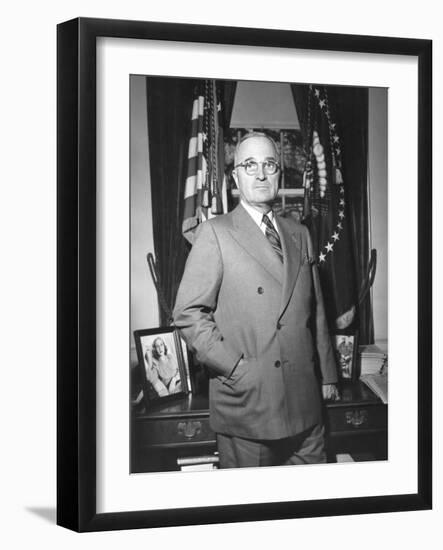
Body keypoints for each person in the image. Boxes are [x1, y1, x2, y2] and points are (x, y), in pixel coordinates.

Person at [173, 132, 339, 468]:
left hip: (306, 403)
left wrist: (329, 375)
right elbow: (188, 313)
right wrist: (234, 368)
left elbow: (316, 309)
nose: (261, 174)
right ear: (235, 177)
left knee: (313, 509)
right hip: (248, 403)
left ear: (280, 173)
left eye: (269, 165)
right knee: (251, 514)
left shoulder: (300, 233)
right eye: (250, 165)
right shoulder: (215, 233)